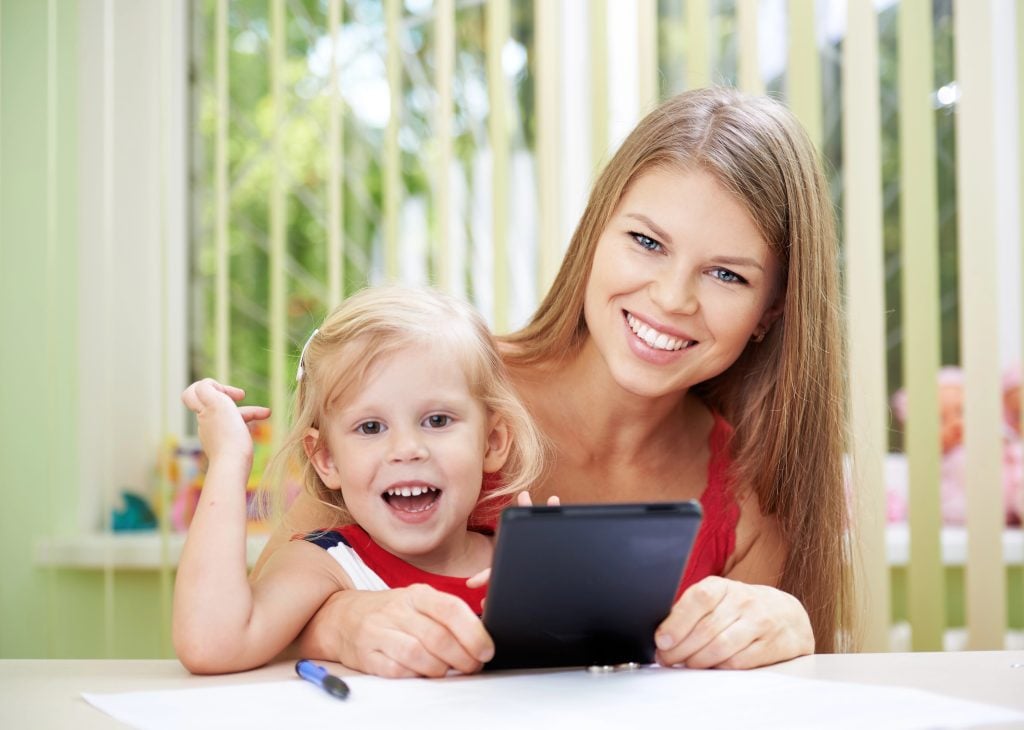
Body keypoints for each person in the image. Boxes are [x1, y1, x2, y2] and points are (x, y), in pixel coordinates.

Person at [255, 86, 853, 676]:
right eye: (646, 242)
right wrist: (339, 623)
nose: (672, 298)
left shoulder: (748, 499)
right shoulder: (436, 394)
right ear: (595, 234)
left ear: (771, 312)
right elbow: (254, 616)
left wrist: (788, 626)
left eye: (726, 274)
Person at [173, 285, 545, 674]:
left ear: (492, 442)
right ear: (326, 459)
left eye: (437, 420)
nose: (406, 448)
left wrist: (564, 582)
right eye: (370, 427)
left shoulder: (516, 558)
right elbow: (210, 643)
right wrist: (229, 459)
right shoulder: (327, 563)